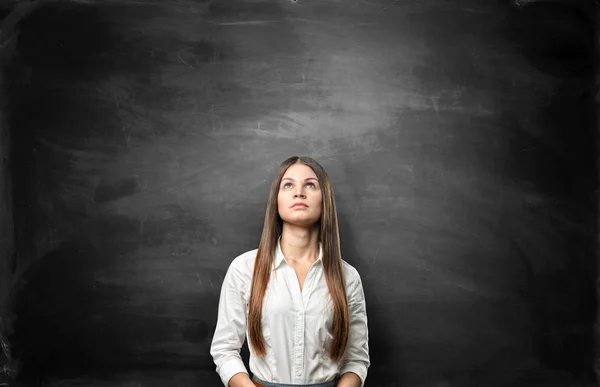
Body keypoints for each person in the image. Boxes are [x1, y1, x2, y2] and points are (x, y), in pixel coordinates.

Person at [210, 156, 370, 387]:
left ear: (325, 200)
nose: (299, 192)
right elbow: (225, 350)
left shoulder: (348, 277)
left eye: (310, 184)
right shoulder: (244, 268)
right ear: (276, 200)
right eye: (288, 185)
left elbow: (356, 359)